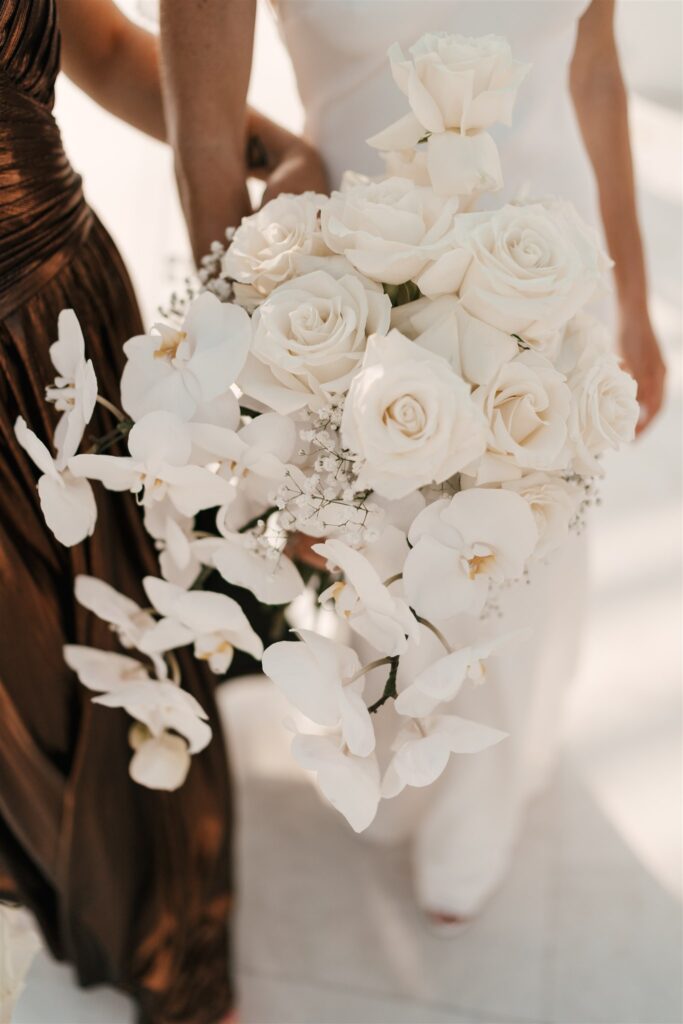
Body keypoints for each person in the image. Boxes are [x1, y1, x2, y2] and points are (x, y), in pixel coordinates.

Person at [159, 0, 665, 929]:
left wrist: (632, 295)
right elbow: (204, 144)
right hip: (366, 304)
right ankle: (404, 782)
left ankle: (476, 823)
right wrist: (265, 396)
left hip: (556, 281)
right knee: (401, 584)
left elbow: (591, 66)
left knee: (529, 568)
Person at [0, 1, 324, 1021]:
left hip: (50, 340)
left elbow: (93, 43)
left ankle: (174, 952)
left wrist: (272, 148)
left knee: (118, 662)